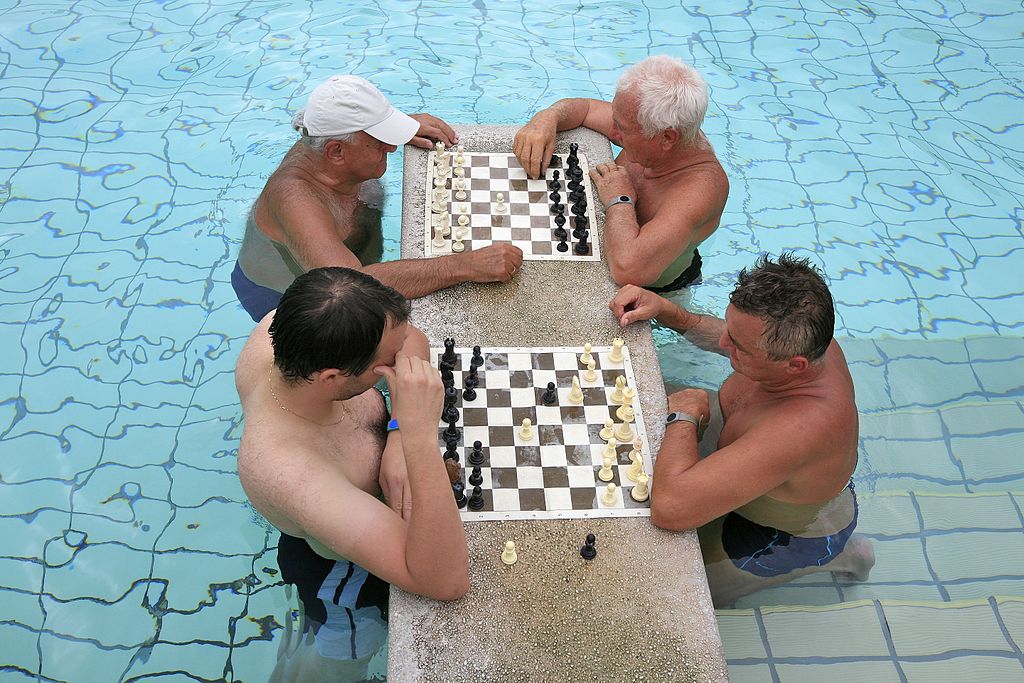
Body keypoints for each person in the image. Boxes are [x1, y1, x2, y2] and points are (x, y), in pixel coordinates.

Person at [235, 267, 469, 679]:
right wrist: (418, 437)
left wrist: (396, 434)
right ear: (332, 378)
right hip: (343, 576)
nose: (400, 362)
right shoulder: (292, 471)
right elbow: (445, 579)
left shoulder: (288, 327)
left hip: (345, 511)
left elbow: (410, 337)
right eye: (387, 363)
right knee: (343, 660)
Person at [609, 253, 874, 607]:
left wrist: (684, 416)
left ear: (794, 365)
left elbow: (670, 509)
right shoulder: (807, 345)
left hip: (780, 531)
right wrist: (668, 311)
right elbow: (733, 336)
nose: (723, 344)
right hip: (758, 455)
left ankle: (844, 557)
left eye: (738, 346)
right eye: (731, 330)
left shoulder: (797, 428)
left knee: (687, 594)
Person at [233, 74, 523, 321]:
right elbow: (348, 286)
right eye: (378, 142)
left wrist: (399, 127)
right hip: (281, 297)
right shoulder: (295, 199)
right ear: (336, 151)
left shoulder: (327, 148)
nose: (393, 148)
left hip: (341, 260)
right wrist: (462, 265)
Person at [513, 55, 728, 292]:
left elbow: (628, 269)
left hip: (662, 291)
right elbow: (586, 109)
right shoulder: (652, 131)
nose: (614, 131)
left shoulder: (700, 189)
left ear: (667, 137)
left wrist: (620, 199)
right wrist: (546, 119)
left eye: (623, 128)